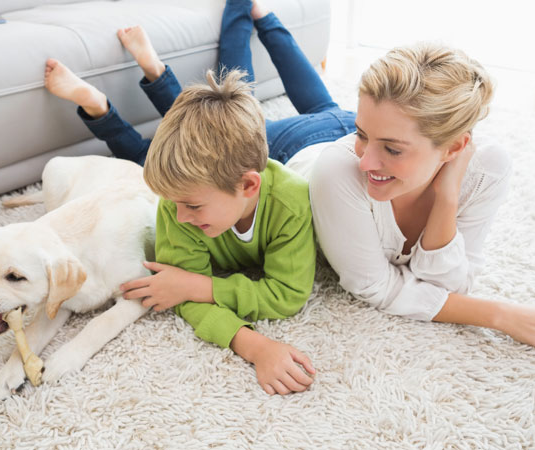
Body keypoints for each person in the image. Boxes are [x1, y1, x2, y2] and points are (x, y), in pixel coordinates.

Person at [45, 0, 357, 395]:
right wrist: (247, 340)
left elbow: (286, 295)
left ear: (248, 187)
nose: (179, 216)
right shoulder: (178, 207)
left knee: (279, 97)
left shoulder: (293, 200)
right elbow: (173, 286)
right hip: (304, 129)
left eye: (191, 205)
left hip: (327, 133)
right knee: (177, 148)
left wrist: (201, 287)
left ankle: (248, 18)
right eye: (174, 203)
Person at [291, 42, 535, 350]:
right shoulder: (339, 168)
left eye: (393, 149)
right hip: (300, 145)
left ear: (453, 149)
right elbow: (374, 286)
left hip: (363, 126)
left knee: (320, 105)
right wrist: (499, 315)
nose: (366, 162)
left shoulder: (487, 168)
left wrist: (447, 197)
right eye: (363, 136)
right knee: (245, 104)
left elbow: (454, 284)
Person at [43, 0, 356, 168]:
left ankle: (254, 10)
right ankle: (100, 105)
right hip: (315, 151)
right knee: (155, 162)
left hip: (352, 125)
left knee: (238, 97)